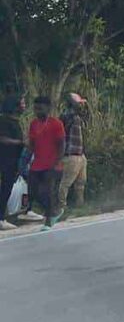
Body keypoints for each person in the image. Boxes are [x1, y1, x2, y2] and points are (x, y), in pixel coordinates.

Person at [27, 95, 65, 228]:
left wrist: (57, 162)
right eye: (36, 108)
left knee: (46, 192)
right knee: (32, 192)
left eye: (40, 108)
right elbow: (32, 144)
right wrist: (27, 159)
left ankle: (49, 220)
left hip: (52, 164)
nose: (37, 111)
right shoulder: (33, 124)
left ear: (48, 108)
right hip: (36, 164)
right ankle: (54, 211)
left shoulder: (56, 123)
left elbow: (62, 144)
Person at [56, 92, 89, 218]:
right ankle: (62, 206)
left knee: (81, 182)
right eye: (78, 103)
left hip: (79, 154)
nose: (81, 105)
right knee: (66, 183)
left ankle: (80, 204)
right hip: (71, 154)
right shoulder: (67, 115)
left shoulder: (77, 116)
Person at [0, 93, 26, 231]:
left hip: (13, 161)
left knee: (7, 188)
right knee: (5, 189)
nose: (24, 106)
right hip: (5, 160)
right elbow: (2, 139)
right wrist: (19, 143)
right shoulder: (4, 121)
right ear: (14, 106)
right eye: (22, 103)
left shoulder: (14, 121)